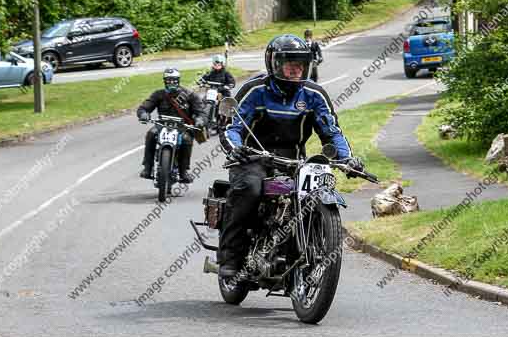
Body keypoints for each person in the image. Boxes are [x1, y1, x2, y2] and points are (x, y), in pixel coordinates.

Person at [217, 35, 364, 278]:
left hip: (294, 162)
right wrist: (235, 148)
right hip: (253, 159)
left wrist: (348, 158)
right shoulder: (255, 90)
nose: (296, 69)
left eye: (301, 63)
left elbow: (332, 132)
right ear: (274, 64)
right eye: (290, 63)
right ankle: (231, 256)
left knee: (311, 193)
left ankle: (301, 248)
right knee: (249, 190)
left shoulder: (314, 95)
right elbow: (232, 127)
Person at [137, 68, 207, 183]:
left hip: (182, 127)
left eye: (174, 80)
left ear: (178, 80)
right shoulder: (158, 94)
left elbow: (201, 112)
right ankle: (147, 167)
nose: (171, 83)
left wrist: (200, 120)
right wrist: (144, 114)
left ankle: (183, 171)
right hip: (161, 125)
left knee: (187, 140)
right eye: (169, 80)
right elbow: (144, 107)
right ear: (165, 81)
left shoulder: (189, 95)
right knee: (151, 134)